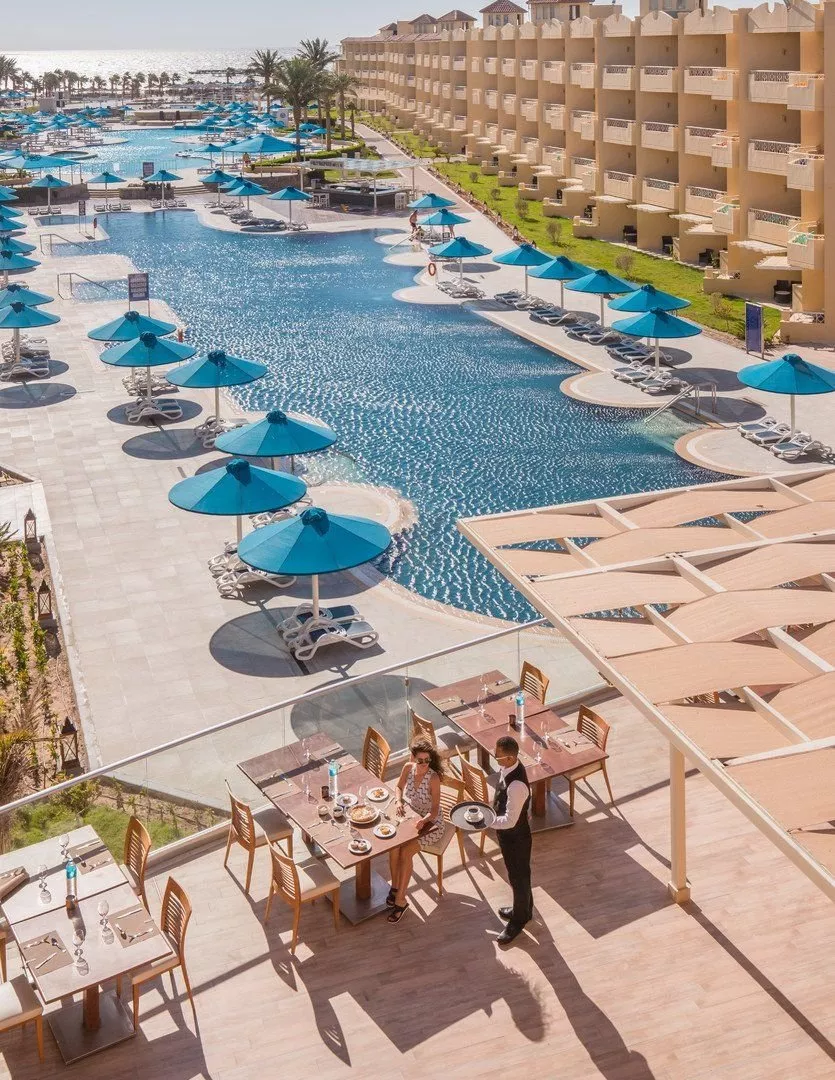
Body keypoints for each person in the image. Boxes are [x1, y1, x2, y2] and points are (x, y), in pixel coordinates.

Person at [387, 738, 444, 923]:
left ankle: (401, 900)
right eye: (420, 760)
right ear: (413, 758)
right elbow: (398, 787)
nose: (424, 764)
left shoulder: (433, 778)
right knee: (393, 847)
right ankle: (395, 887)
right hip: (411, 817)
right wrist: (398, 801)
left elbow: (435, 810)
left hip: (431, 824)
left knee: (406, 852)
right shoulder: (407, 768)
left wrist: (424, 820)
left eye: (427, 760)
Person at [491, 735, 532, 945]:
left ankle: (519, 920)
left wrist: (487, 821)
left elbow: (509, 821)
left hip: (516, 838)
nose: (494, 757)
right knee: (520, 876)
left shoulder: (516, 786)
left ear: (509, 758)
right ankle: (524, 909)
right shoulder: (509, 768)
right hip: (512, 836)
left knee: (518, 878)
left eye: (497, 756)